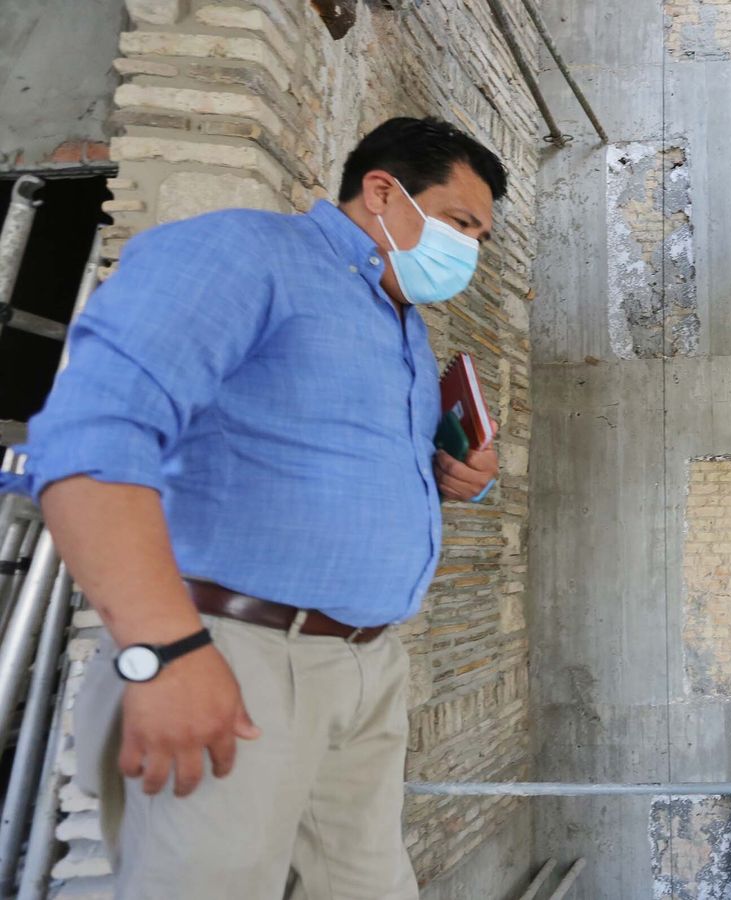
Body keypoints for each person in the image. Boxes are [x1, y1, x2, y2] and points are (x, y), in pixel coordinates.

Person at [1, 117, 506, 898]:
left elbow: (325, 461)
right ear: (382, 192)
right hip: (235, 655)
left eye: (479, 236)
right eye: (460, 222)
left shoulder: (397, 319)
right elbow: (90, 440)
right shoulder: (242, 254)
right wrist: (162, 652)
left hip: (366, 669)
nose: (468, 249)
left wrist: (459, 476)